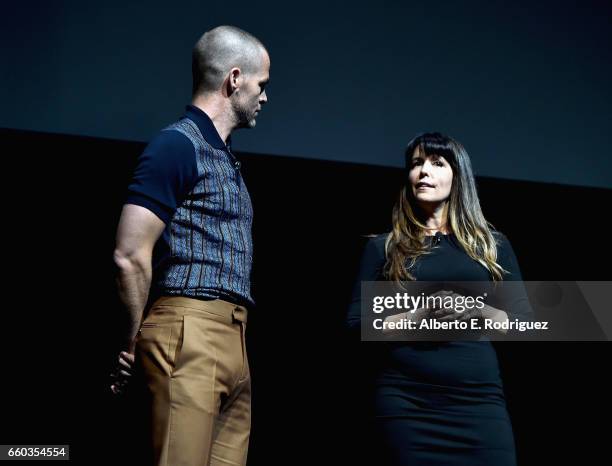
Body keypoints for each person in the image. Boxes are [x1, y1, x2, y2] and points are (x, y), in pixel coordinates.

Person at [110, 25, 270, 466]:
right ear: (234, 79)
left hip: (234, 338)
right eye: (262, 84)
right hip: (189, 331)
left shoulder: (225, 156)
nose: (265, 96)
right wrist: (132, 339)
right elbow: (129, 254)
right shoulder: (177, 145)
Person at [347, 132, 533, 465]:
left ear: (457, 175)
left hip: (478, 404)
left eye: (436, 163)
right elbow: (356, 325)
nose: (423, 172)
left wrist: (472, 309)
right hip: (407, 405)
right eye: (416, 164)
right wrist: (417, 317)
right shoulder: (384, 247)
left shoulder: (492, 246)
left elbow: (524, 323)